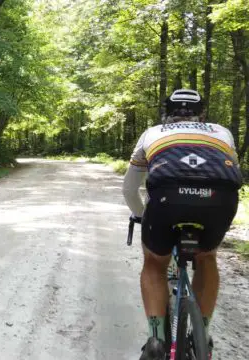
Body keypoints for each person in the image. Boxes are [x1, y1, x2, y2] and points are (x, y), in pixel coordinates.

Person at [122, 89, 241, 359]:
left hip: (167, 198)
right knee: (207, 258)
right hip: (219, 198)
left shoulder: (152, 133)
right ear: (201, 113)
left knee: (154, 262)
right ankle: (204, 335)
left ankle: (156, 338)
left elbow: (130, 190)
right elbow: (231, 169)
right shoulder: (222, 132)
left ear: (167, 112)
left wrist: (142, 216)